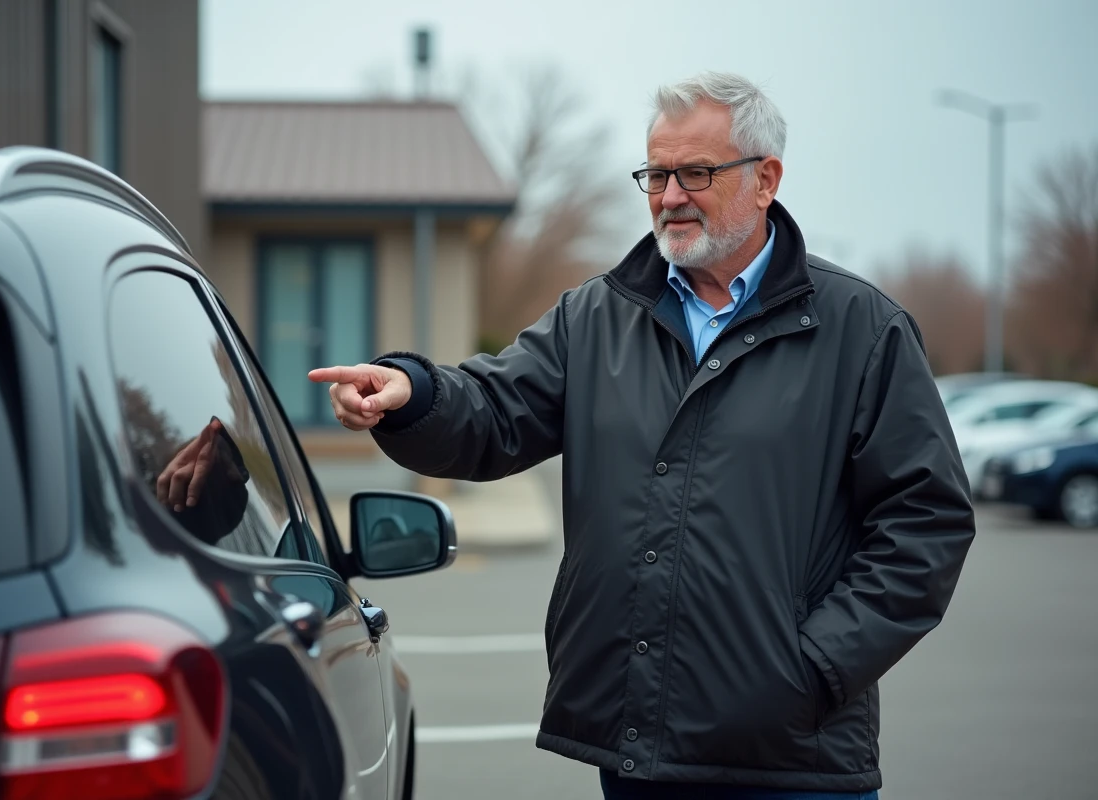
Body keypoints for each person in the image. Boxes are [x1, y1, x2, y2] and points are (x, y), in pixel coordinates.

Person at [309, 71, 975, 799]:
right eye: (656, 174)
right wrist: (413, 394)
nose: (670, 196)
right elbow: (494, 410)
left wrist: (814, 667)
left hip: (796, 759)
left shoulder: (864, 330)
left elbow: (926, 522)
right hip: (639, 751)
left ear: (766, 179)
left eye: (696, 173)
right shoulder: (597, 316)